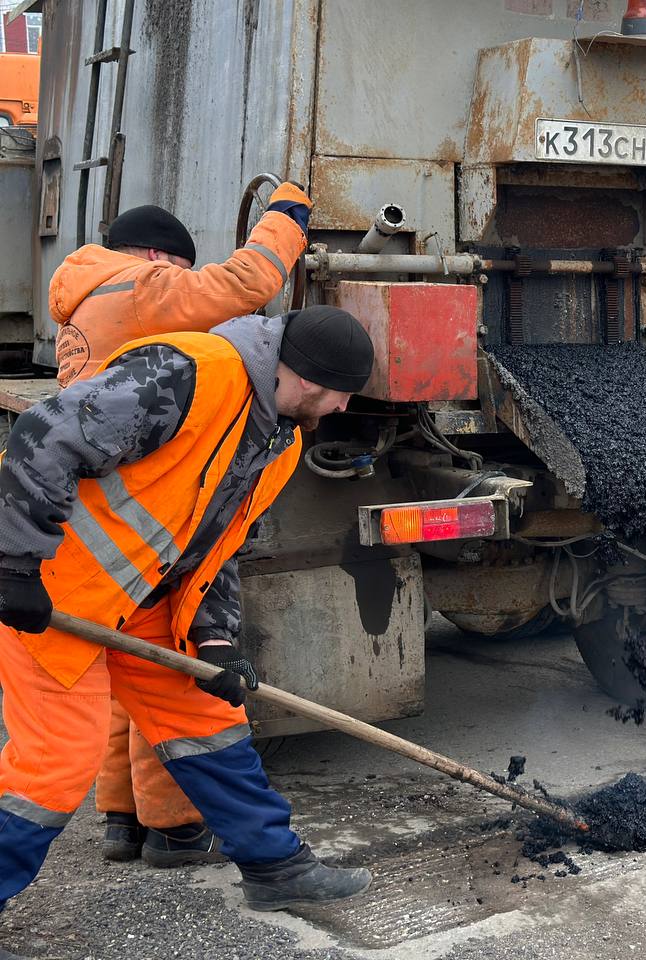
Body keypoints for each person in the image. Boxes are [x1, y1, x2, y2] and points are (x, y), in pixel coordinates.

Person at [0, 306, 376, 946]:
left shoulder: (278, 440)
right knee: (57, 762)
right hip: (55, 591)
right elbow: (45, 430)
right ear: (313, 380)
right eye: (344, 394)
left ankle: (274, 865)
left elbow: (212, 548)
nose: (343, 409)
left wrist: (216, 640)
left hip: (138, 600)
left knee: (206, 718)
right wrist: (13, 563)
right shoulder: (188, 373)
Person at [46, 189, 313, 868]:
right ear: (161, 258)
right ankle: (176, 827)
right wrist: (289, 212)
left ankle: (121, 821)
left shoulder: (82, 302)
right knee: (168, 666)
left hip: (96, 517)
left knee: (121, 668)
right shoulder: (144, 288)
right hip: (151, 513)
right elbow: (247, 283)